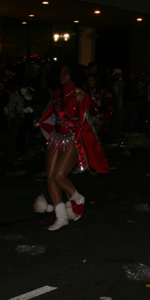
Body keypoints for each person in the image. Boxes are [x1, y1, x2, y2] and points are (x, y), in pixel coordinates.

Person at [37, 63, 108, 231]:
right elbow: (49, 114)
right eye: (61, 72)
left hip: (72, 139)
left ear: (74, 75)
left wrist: (81, 99)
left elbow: (85, 113)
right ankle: (61, 218)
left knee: (59, 176)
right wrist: (39, 122)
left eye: (66, 73)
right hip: (56, 137)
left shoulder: (80, 94)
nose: (62, 75)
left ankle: (77, 197)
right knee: (50, 177)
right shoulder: (57, 94)